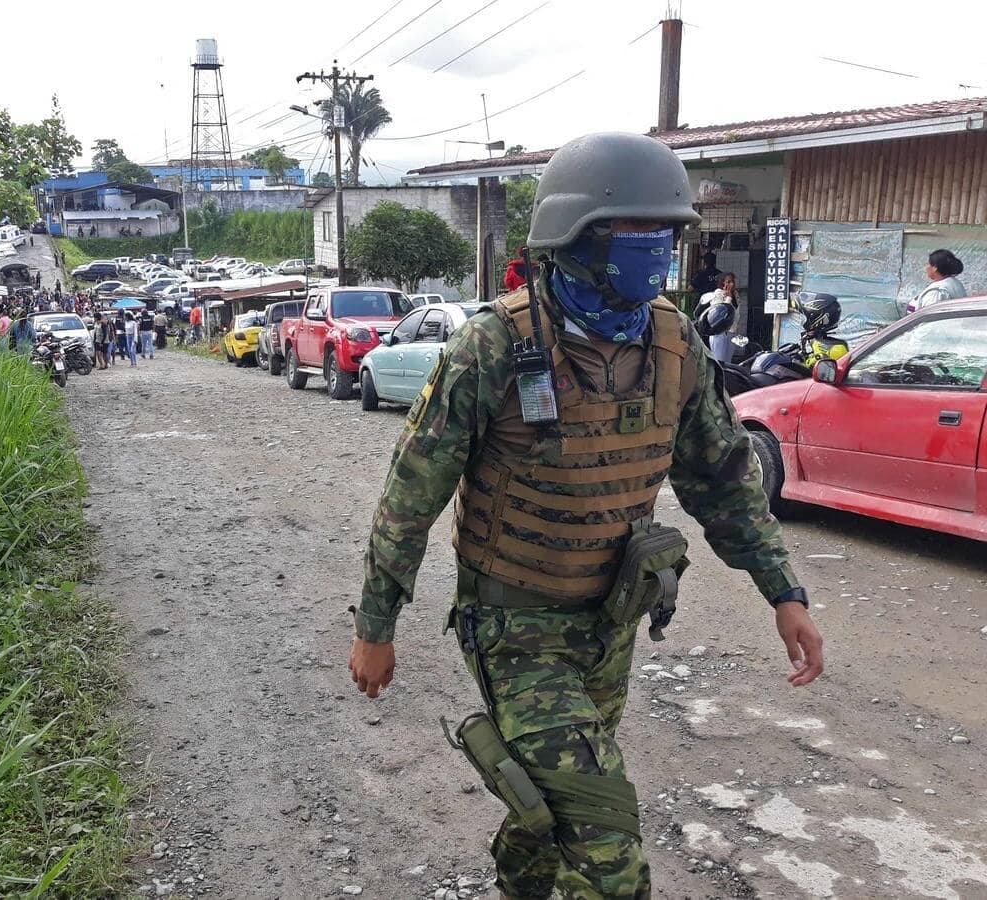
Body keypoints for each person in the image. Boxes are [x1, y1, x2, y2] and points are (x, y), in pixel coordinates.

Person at [347, 132, 824, 900]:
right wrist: (376, 626)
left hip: (611, 623)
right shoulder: (492, 347)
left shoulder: (673, 342)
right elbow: (410, 498)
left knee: (552, 808)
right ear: (575, 235)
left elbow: (723, 477)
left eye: (665, 230)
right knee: (606, 842)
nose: (656, 246)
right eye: (635, 229)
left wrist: (784, 592)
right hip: (514, 629)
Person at [695, 272, 741, 362]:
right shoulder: (718, 293)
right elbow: (721, 311)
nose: (731, 284)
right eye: (728, 282)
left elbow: (737, 313)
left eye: (732, 281)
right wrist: (728, 298)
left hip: (731, 331)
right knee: (719, 359)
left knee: (728, 361)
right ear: (722, 283)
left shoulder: (735, 294)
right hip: (719, 332)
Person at [907, 249, 966, 313]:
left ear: (935, 268)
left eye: (928, 264)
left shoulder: (937, 292)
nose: (926, 267)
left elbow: (931, 316)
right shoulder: (955, 283)